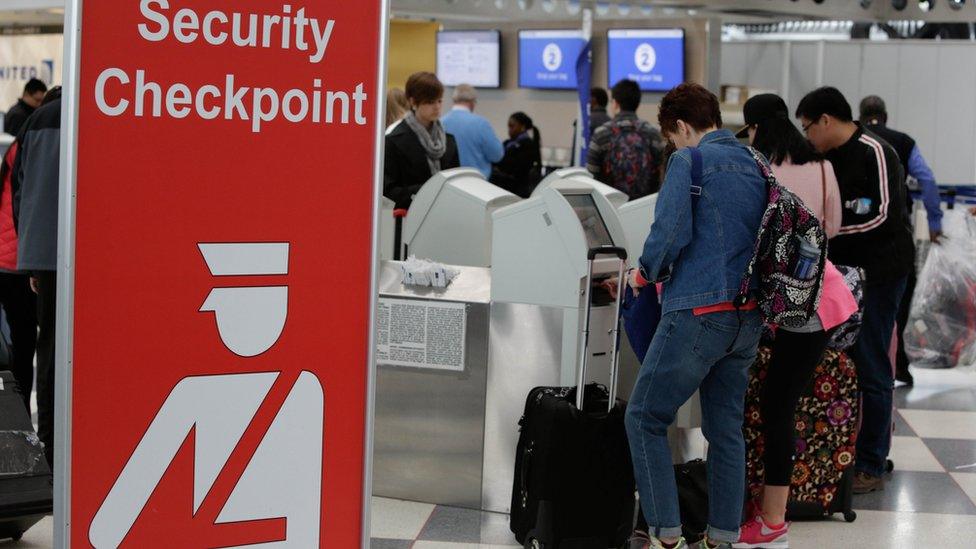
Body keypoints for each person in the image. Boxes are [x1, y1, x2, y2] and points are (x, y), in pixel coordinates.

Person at [617, 83, 768, 549]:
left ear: (682, 127)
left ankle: (666, 535)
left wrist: (643, 275)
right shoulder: (756, 163)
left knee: (644, 416)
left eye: (672, 136)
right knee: (725, 430)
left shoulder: (690, 161)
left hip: (698, 313)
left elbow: (670, 233)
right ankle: (721, 538)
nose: (673, 146)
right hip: (748, 319)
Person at [732, 94, 858, 549]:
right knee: (778, 402)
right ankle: (769, 513)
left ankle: (772, 520)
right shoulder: (822, 166)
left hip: (795, 308)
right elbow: (833, 229)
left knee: (774, 406)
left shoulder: (758, 169)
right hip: (821, 291)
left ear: (755, 130)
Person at [796, 87, 913, 494]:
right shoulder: (822, 159)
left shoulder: (875, 151)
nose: (807, 135)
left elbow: (883, 214)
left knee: (871, 360)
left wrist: (827, 233)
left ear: (826, 120)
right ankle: (839, 451)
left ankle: (871, 462)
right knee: (834, 361)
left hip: (881, 274)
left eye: (808, 127)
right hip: (840, 274)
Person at [859, 95, 942, 386]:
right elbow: (927, 180)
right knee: (896, 305)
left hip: (856, 241)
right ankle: (899, 364)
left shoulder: (856, 139)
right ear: (885, 116)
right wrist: (935, 222)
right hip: (896, 238)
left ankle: (862, 365)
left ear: (861, 114)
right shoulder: (904, 142)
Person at [12, 86, 61, 468]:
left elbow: (19, 190)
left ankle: (48, 443)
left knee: (49, 350)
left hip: (44, 254)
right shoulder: (94, 109)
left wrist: (30, 260)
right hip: (90, 252)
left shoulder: (33, 122)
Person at [0, 123, 38, 413]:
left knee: (19, 342)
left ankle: (17, 410)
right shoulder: (30, 147)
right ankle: (20, 413)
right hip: (20, 263)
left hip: (8, 262)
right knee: (25, 345)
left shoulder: (16, 146)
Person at [384, 72, 460, 209]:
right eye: (430, 102)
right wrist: (428, 191)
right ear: (413, 102)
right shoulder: (394, 140)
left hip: (445, 215)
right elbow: (388, 191)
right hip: (409, 217)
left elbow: (457, 182)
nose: (436, 107)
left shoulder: (449, 141)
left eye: (439, 101)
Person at [586, 79, 664, 199]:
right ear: (637, 103)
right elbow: (663, 173)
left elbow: (591, 175)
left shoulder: (601, 134)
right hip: (644, 207)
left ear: (615, 103)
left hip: (611, 206)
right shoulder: (653, 133)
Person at [441, 84, 503, 179]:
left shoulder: (441, 123)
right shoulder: (481, 124)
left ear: (454, 100)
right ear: (472, 102)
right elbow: (497, 155)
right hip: (477, 183)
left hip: (448, 182)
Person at [490, 112, 541, 198]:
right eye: (508, 127)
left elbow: (518, 167)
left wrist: (500, 165)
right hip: (503, 187)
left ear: (522, 127)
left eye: (512, 126)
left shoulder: (528, 145)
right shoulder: (507, 143)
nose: (509, 130)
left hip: (518, 190)